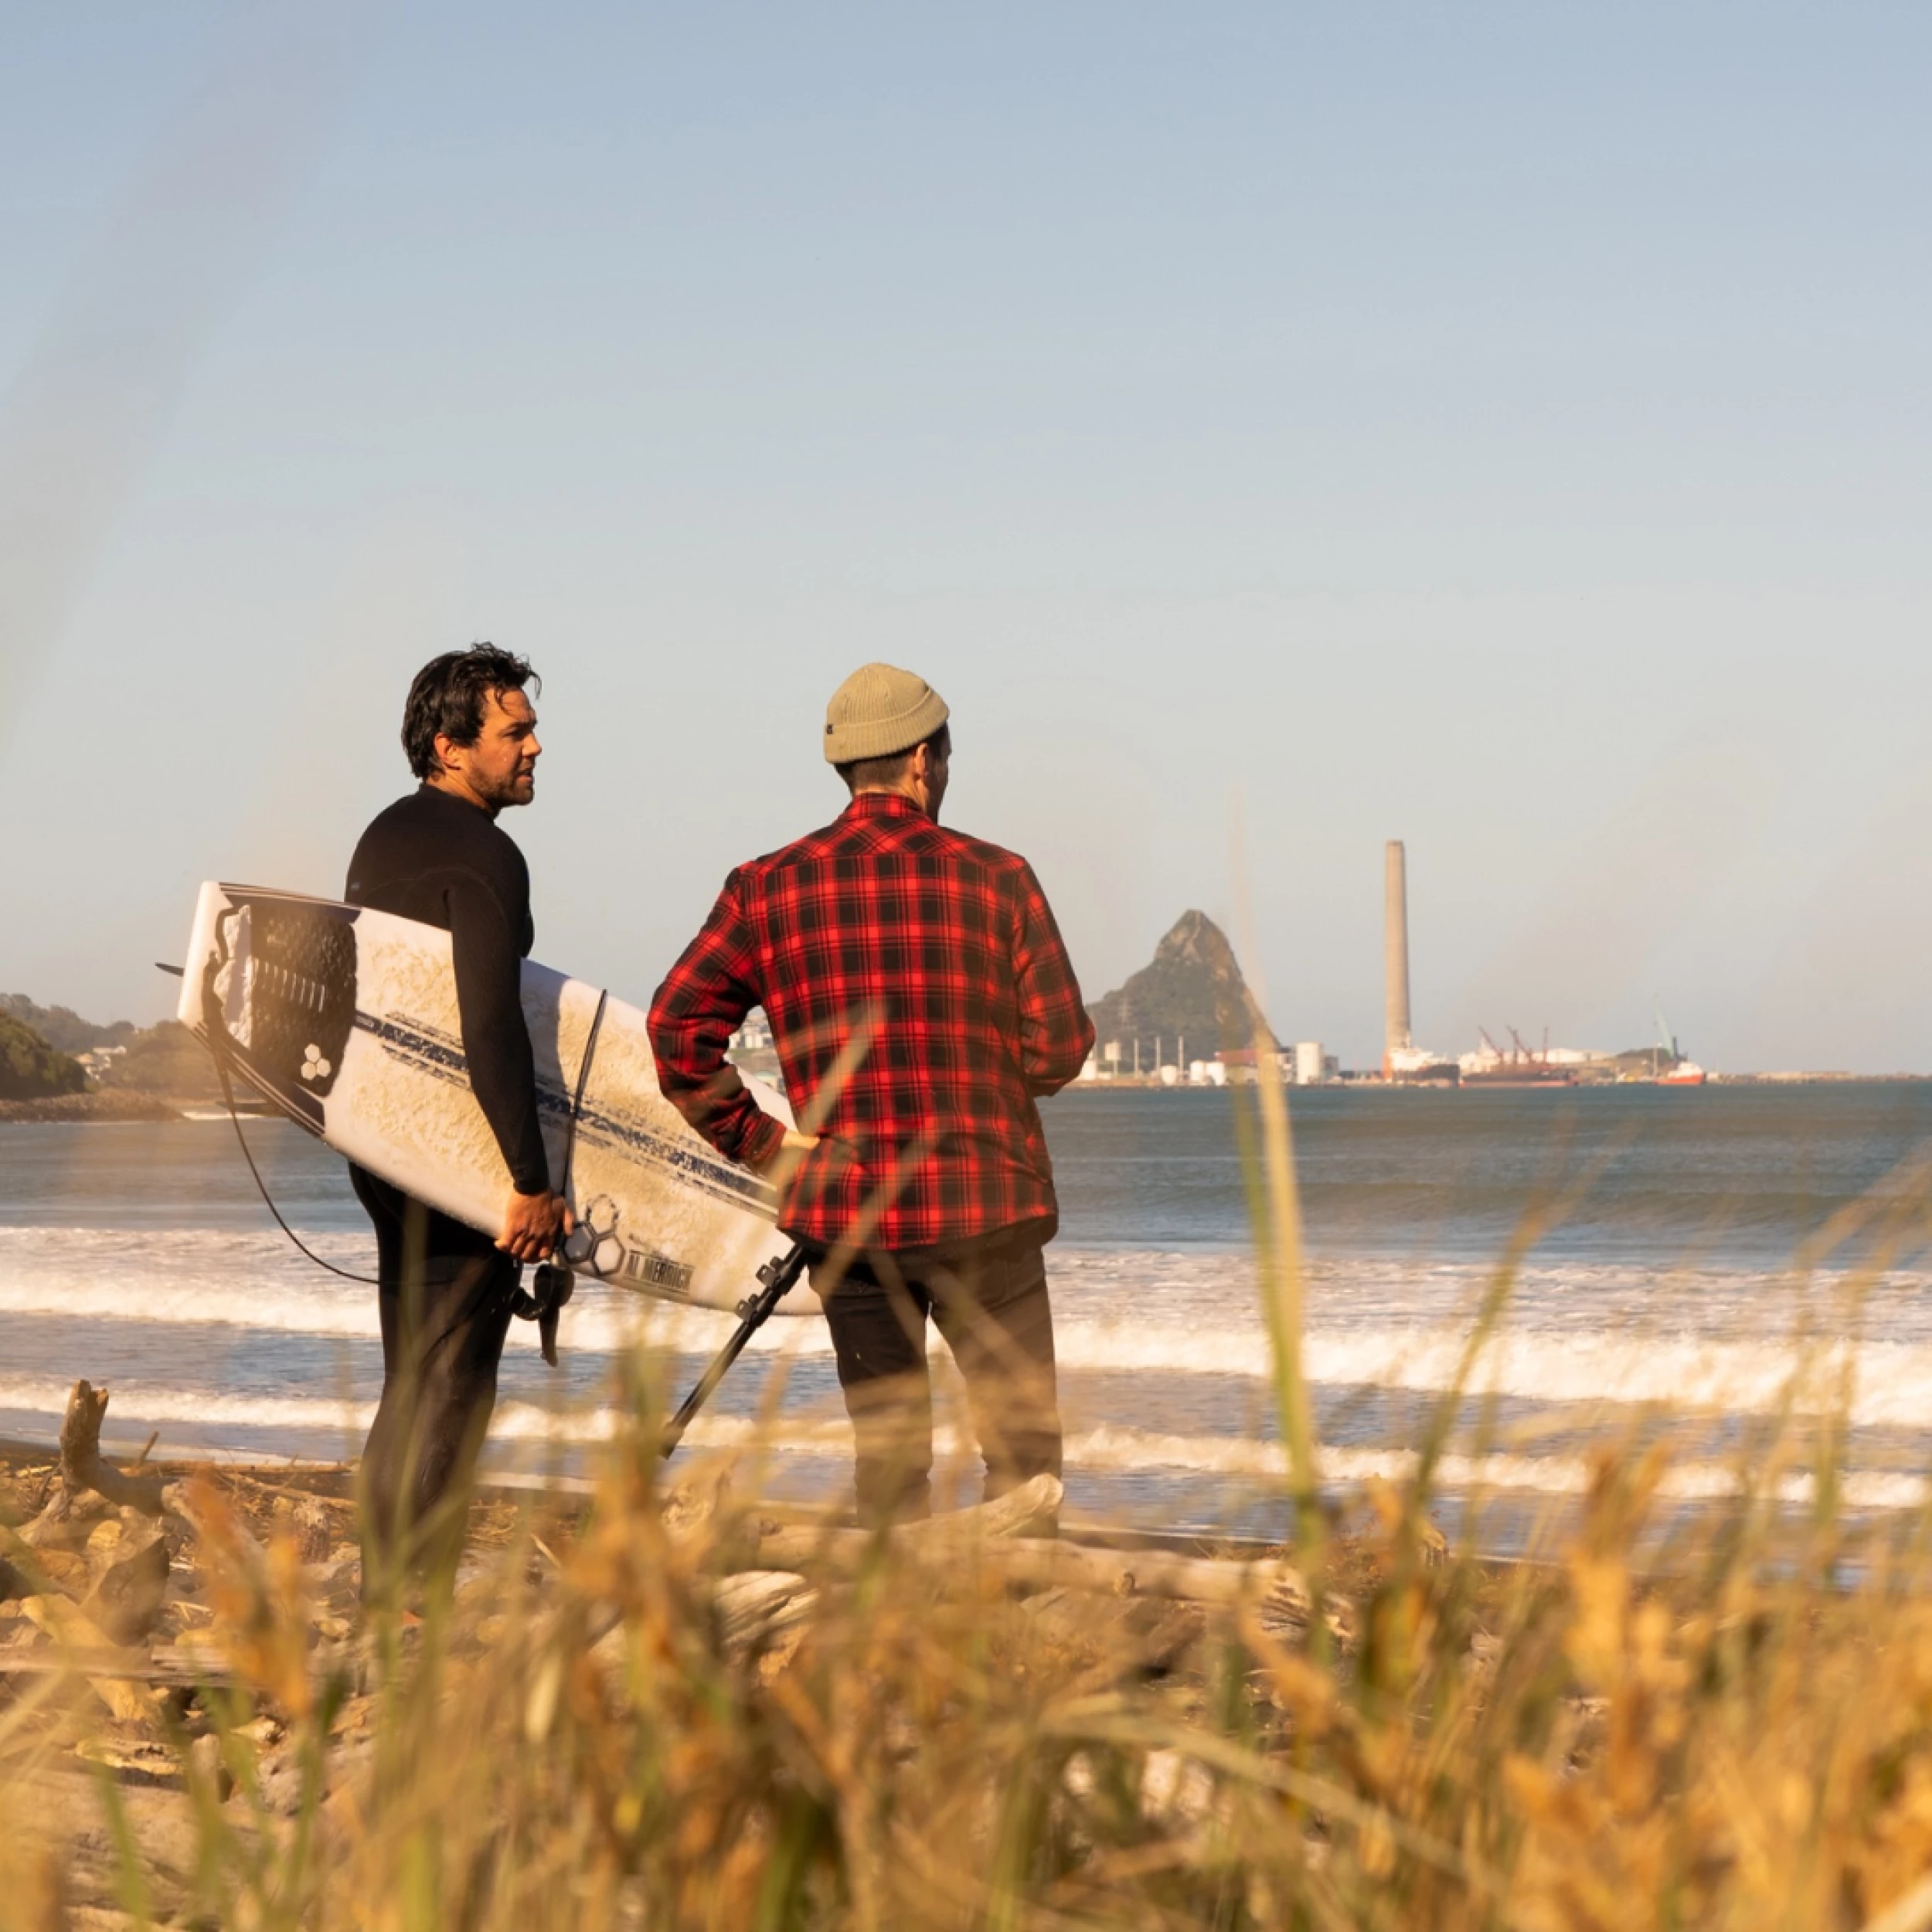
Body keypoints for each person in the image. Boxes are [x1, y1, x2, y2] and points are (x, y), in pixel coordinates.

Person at [648, 663, 1094, 1522]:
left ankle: (887, 1636)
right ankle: (1019, 1628)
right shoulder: (1000, 877)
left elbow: (676, 1029)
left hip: (847, 1213)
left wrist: (766, 1146)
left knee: (888, 1462)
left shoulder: (765, 885)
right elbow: (1061, 1047)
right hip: (985, 1202)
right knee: (1024, 1456)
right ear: (924, 761)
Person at [343, 645, 571, 1592]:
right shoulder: (485, 853)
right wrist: (528, 1179)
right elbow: (487, 1020)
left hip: (380, 1141)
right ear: (449, 746)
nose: (535, 747)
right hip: (459, 1154)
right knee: (454, 1379)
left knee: (413, 1366)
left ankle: (383, 1581)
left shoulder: (381, 838)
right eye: (513, 732)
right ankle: (407, 1601)